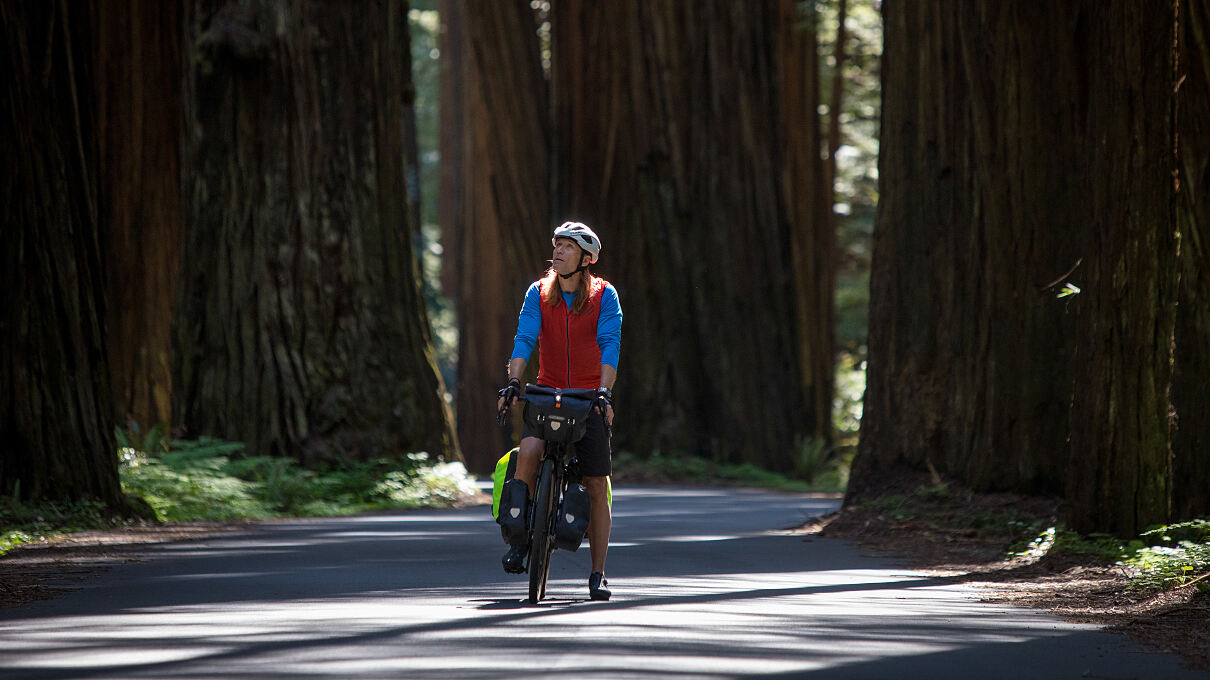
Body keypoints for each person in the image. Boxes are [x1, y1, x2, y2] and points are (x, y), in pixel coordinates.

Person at [497, 221, 622, 601]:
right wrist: (514, 382)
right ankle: (520, 540)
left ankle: (598, 573)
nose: (558, 251)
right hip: (546, 391)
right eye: (557, 245)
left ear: (587, 259)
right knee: (529, 454)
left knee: (596, 483)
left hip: (587, 399)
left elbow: (610, 344)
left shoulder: (605, 296)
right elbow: (524, 337)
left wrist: (603, 393)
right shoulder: (539, 292)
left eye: (567, 246)